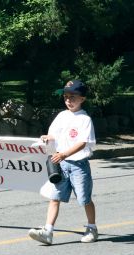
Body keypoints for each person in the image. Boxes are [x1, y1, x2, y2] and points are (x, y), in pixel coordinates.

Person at [28, 80, 97, 244]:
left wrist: (64, 154)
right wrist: (47, 137)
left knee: (84, 199)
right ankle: (48, 231)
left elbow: (82, 142)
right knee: (54, 197)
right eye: (66, 97)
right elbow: (53, 135)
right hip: (61, 164)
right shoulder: (62, 116)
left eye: (73, 97)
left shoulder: (84, 119)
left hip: (78, 165)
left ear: (82, 99)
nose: (68, 100)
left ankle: (92, 228)